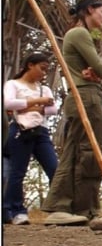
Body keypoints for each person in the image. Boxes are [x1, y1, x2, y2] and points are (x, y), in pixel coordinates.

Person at [41, 0, 102, 227]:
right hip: (85, 95)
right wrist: (96, 72)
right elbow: (100, 69)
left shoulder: (79, 34)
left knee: (77, 149)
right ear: (89, 10)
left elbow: (99, 71)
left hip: (86, 94)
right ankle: (79, 207)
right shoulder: (79, 34)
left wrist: (97, 73)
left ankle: (69, 207)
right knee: (89, 150)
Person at [3, 53, 58, 225]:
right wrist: (38, 101)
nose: (44, 73)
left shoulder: (45, 88)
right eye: (42, 68)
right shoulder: (13, 84)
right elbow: (8, 103)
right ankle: (15, 210)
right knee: (18, 172)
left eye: (46, 70)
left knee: (55, 168)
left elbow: (53, 109)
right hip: (21, 130)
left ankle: (57, 208)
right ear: (30, 65)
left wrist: (27, 106)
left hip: (41, 132)